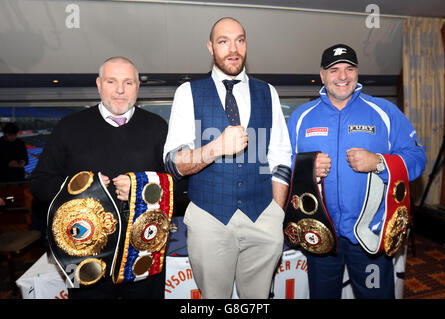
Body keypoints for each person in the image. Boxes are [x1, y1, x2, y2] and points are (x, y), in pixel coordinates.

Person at [163, 17, 292, 299]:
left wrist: (276, 212)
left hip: (263, 216)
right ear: (210, 47)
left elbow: (281, 155)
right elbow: (172, 163)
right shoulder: (187, 93)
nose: (233, 49)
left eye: (240, 40)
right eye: (223, 41)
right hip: (209, 217)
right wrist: (215, 148)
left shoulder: (267, 92)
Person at [287, 44, 427, 299]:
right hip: (321, 233)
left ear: (357, 72)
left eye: (349, 69)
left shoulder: (384, 112)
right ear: (322, 75)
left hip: (369, 235)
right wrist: (305, 167)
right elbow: (281, 166)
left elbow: (418, 158)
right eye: (334, 70)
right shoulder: (301, 117)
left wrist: (380, 162)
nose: (343, 76)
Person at [29, 56, 168, 299]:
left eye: (128, 83)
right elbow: (40, 182)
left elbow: (179, 184)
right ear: (98, 84)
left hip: (143, 251)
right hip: (80, 253)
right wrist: (83, 189)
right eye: (111, 81)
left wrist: (142, 187)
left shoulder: (157, 126)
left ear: (138, 87)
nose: (119, 90)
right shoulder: (68, 126)